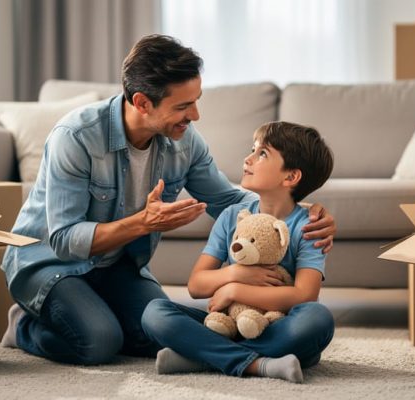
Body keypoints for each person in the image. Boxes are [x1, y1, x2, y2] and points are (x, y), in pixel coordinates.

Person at [0, 34, 336, 365]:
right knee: (99, 342)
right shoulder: (76, 137)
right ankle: (25, 326)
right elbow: (63, 239)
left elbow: (229, 202)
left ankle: (100, 312)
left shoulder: (185, 141)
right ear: (143, 103)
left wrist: (300, 212)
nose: (195, 115)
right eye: (183, 106)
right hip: (51, 265)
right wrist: (142, 223)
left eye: (196, 100)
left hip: (115, 266)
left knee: (155, 335)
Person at [141, 121, 335, 383]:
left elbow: (305, 296)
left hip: (276, 326)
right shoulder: (231, 216)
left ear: (291, 177)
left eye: (262, 153)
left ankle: (203, 358)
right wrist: (236, 273)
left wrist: (235, 290)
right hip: (226, 325)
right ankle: (260, 364)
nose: (248, 158)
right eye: (252, 149)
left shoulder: (308, 227)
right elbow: (197, 285)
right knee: (155, 313)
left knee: (317, 319)